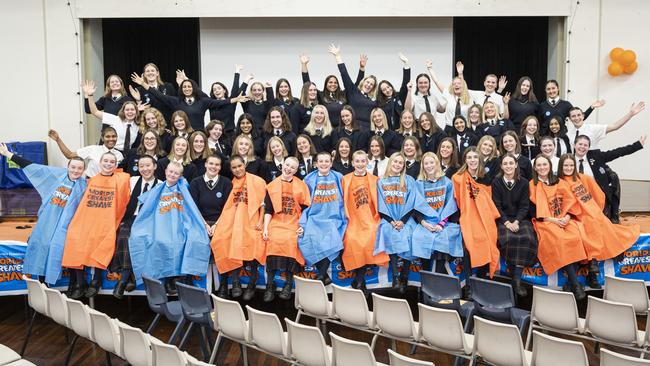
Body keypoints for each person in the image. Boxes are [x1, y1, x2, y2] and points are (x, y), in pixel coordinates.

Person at [0, 143, 87, 286]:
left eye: (79, 168)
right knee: (40, 244)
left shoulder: (85, 185)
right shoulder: (56, 175)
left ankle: (72, 285)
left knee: (59, 247)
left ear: (84, 170)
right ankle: (42, 285)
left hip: (66, 226)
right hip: (48, 220)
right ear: (68, 167)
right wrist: (8, 154)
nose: (76, 171)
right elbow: (31, 166)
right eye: (73, 167)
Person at [557, 154, 641, 288]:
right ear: (561, 166)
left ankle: (593, 269)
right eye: (565, 165)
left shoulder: (584, 178)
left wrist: (594, 209)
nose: (568, 168)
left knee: (596, 223)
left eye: (571, 165)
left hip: (590, 212)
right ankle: (592, 267)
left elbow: (598, 195)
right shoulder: (558, 182)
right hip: (573, 215)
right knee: (586, 229)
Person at [129, 161, 210, 291]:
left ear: (180, 175)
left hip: (181, 223)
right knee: (157, 240)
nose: (172, 175)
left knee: (184, 240)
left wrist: (201, 224)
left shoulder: (183, 187)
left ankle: (178, 278)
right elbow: (147, 206)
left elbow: (191, 208)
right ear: (166, 172)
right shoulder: (158, 189)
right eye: (170, 172)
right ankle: (165, 277)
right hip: (160, 224)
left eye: (176, 173)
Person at [62, 152, 131, 298]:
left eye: (112, 162)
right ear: (99, 163)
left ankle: (96, 281)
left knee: (101, 241)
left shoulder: (122, 179)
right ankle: (80, 283)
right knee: (74, 238)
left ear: (116, 165)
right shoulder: (91, 180)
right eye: (105, 161)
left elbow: (124, 202)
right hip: (87, 220)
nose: (108, 164)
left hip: (106, 222)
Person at [529, 155, 587, 299]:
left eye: (545, 164)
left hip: (564, 219)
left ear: (549, 166)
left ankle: (570, 283)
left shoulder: (560, 182)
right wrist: (554, 220)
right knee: (561, 239)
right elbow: (533, 211)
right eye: (539, 165)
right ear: (535, 168)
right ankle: (575, 284)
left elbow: (571, 204)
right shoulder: (532, 184)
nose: (542, 168)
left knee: (576, 235)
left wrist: (567, 217)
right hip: (545, 221)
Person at [211, 156, 267, 301]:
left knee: (255, 241)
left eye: (239, 166)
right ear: (231, 170)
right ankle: (235, 282)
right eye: (234, 167)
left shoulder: (258, 181)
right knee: (222, 240)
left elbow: (263, 205)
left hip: (252, 220)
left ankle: (251, 284)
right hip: (233, 220)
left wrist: (261, 221)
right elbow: (227, 207)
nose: (238, 169)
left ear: (245, 164)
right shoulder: (230, 184)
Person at [376, 153, 432, 294]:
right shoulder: (381, 181)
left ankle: (405, 275)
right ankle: (395, 276)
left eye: (401, 163)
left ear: (403, 166)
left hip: (406, 219)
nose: (397, 165)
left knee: (411, 235)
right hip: (389, 219)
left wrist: (403, 221)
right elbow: (380, 205)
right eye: (395, 161)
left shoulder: (409, 180)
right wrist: (392, 221)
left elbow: (413, 203)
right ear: (391, 163)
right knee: (391, 234)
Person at [110, 154, 160, 298]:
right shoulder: (131, 180)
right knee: (124, 234)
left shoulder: (161, 184)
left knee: (139, 238)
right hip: (132, 216)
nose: (145, 169)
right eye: (141, 166)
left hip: (150, 220)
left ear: (155, 166)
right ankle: (128, 277)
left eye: (148, 165)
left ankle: (124, 280)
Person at [262, 157, 311, 302]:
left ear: (296, 170)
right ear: (282, 165)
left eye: (293, 167)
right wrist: (265, 228)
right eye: (287, 165)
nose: (289, 169)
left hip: (293, 222)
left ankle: (288, 285)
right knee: (273, 240)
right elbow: (268, 211)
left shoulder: (301, 186)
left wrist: (302, 226)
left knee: (291, 241)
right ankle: (269, 286)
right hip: (277, 222)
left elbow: (306, 209)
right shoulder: (272, 186)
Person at [341, 151, 389, 296]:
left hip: (370, 218)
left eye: (363, 161)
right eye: (357, 161)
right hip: (353, 219)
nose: (360, 164)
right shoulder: (345, 179)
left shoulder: (375, 179)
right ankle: (360, 281)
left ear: (367, 163)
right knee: (352, 240)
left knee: (371, 237)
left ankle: (359, 280)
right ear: (353, 163)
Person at [131, 74, 247, 131]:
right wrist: (143, 84)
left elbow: (220, 103)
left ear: (194, 88)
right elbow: (158, 95)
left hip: (199, 137)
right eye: (184, 87)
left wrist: (235, 99)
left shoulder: (203, 101)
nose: (187, 88)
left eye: (189, 86)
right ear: (181, 89)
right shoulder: (176, 101)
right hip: (181, 137)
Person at [452, 147, 500, 286]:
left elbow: (490, 202)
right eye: (469, 157)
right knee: (467, 246)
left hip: (484, 218)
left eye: (475, 157)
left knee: (488, 242)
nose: (472, 160)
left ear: (479, 159)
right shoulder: (457, 178)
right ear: (465, 160)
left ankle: (480, 279)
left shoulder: (486, 178)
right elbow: (454, 202)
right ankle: (468, 284)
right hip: (466, 217)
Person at [491, 154, 537, 297]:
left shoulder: (523, 182)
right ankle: (515, 279)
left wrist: (516, 221)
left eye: (511, 163)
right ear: (501, 166)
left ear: (516, 165)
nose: (508, 166)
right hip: (502, 219)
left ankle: (515, 280)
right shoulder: (496, 182)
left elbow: (524, 206)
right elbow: (496, 206)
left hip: (520, 218)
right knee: (508, 239)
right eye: (505, 163)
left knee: (528, 239)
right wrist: (506, 222)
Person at [298, 152, 347, 285]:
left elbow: (345, 197)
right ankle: (323, 275)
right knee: (308, 238)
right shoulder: (308, 179)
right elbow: (303, 202)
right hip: (314, 216)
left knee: (331, 237)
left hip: (334, 216)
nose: (324, 164)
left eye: (327, 161)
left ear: (331, 163)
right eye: (321, 161)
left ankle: (321, 275)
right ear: (316, 164)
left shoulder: (339, 177)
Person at [573, 134, 646, 223]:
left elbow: (617, 152)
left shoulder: (596, 156)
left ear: (589, 147)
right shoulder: (568, 159)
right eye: (580, 144)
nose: (582, 147)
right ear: (574, 145)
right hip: (575, 198)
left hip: (596, 198)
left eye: (585, 145)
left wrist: (637, 145)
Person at [409, 152, 462, 274]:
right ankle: (426, 274)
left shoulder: (446, 182)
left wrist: (441, 224)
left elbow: (450, 207)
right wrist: (423, 223)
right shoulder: (419, 184)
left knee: (444, 237)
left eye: (431, 162)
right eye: (426, 163)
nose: (429, 166)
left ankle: (440, 274)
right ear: (423, 166)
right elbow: (416, 208)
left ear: (437, 164)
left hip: (443, 223)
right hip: (425, 223)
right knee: (419, 237)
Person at [189, 155, 233, 297]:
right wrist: (205, 225)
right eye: (211, 163)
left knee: (222, 241)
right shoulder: (196, 183)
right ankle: (192, 284)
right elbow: (194, 208)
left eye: (217, 164)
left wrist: (217, 225)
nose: (214, 167)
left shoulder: (226, 183)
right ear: (206, 165)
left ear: (220, 167)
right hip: (200, 221)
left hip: (221, 221)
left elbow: (227, 208)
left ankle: (224, 285)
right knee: (195, 240)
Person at [299, 52, 365, 128]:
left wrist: (362, 68)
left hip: (343, 129)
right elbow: (307, 84)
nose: (333, 84)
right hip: (327, 129)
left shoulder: (343, 94)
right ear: (326, 84)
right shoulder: (321, 95)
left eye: (335, 82)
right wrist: (304, 65)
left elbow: (357, 84)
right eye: (330, 82)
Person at [329, 44, 377, 130]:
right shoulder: (353, 92)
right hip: (352, 129)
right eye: (367, 82)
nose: (369, 85)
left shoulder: (373, 100)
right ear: (363, 82)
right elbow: (345, 75)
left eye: (371, 84)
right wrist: (338, 56)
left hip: (368, 131)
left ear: (373, 88)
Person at [83, 80, 140, 152]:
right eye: (127, 110)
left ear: (136, 111)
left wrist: (138, 100)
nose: (130, 112)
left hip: (128, 154)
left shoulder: (139, 125)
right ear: (123, 111)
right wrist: (89, 95)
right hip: (113, 152)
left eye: (132, 110)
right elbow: (95, 111)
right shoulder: (116, 119)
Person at [49, 127, 124, 178]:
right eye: (108, 136)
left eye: (114, 136)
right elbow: (69, 155)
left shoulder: (119, 155)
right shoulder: (93, 149)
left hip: (110, 186)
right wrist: (58, 140)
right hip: (91, 183)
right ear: (102, 138)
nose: (111, 139)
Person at [566, 102, 645, 150]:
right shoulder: (568, 134)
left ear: (583, 116)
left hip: (592, 165)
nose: (576, 118)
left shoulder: (593, 128)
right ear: (570, 119)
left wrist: (630, 114)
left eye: (579, 115)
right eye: (573, 116)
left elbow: (615, 126)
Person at [431, 61, 477, 126]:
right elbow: (436, 81)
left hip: (465, 128)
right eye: (454, 84)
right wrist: (430, 68)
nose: (456, 85)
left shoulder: (469, 97)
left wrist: (460, 73)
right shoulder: (449, 96)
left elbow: (463, 84)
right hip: (450, 129)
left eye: (458, 84)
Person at [376, 53, 411, 130]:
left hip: (401, 130)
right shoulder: (380, 103)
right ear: (382, 92)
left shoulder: (399, 96)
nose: (387, 90)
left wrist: (406, 64)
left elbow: (405, 82)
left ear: (391, 86)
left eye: (388, 87)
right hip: (388, 131)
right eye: (384, 90)